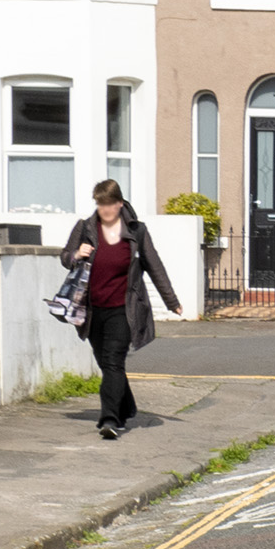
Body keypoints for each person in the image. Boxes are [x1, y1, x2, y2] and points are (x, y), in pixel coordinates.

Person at [58, 181, 182, 440]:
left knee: (114, 360)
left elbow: (154, 266)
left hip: (124, 310)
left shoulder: (137, 231)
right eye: (100, 204)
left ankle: (109, 419)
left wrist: (171, 301)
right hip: (92, 310)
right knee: (106, 363)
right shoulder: (86, 228)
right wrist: (76, 254)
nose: (105, 209)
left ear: (120, 203)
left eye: (109, 204)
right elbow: (64, 257)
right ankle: (127, 407)